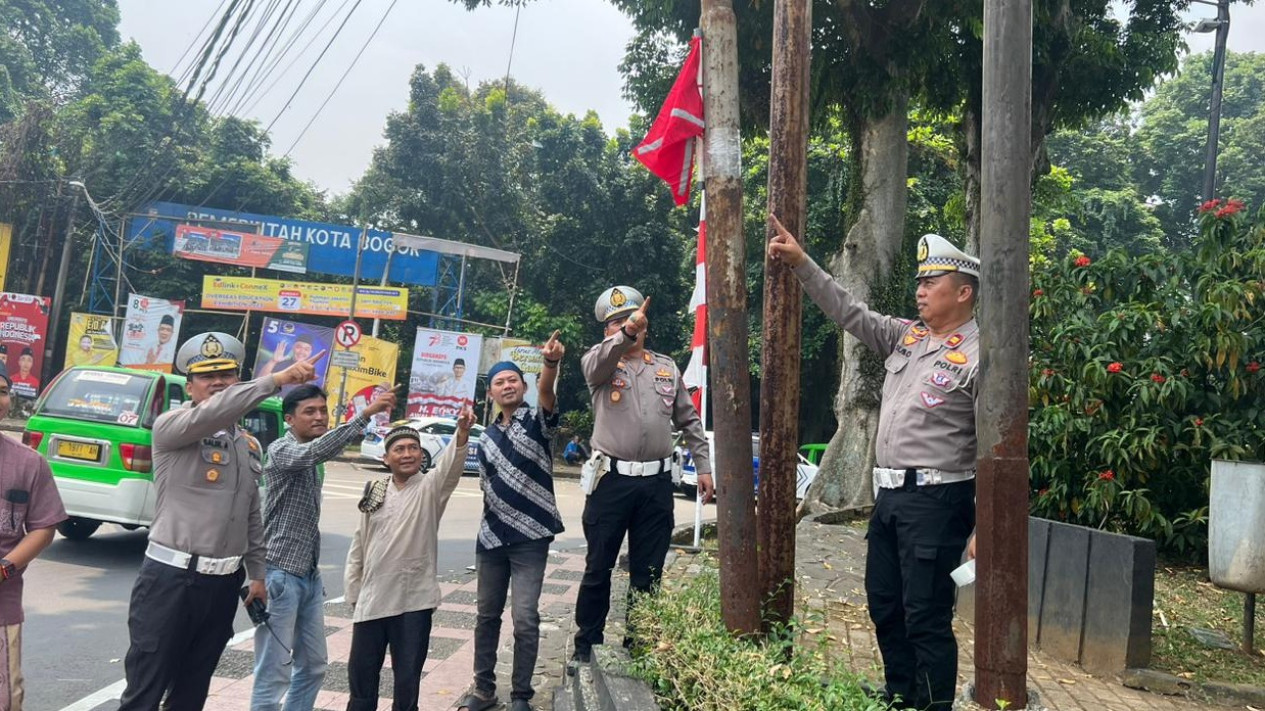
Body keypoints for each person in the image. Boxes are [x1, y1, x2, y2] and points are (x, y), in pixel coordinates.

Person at [768, 218, 979, 710]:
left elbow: (996, 450)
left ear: (963, 292)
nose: (920, 290)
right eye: (920, 281)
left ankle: (931, 706)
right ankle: (900, 695)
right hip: (889, 501)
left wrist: (983, 528)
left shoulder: (980, 355)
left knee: (925, 615)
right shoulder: (907, 338)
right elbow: (849, 312)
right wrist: (801, 263)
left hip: (938, 501)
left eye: (932, 283)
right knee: (886, 606)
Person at [118, 332, 323, 711]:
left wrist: (257, 575)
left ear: (237, 380)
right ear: (190, 385)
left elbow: (250, 515)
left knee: (192, 692)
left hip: (222, 585)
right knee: (145, 691)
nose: (217, 383)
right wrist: (277, 379)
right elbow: (216, 412)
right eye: (206, 376)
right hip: (170, 580)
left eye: (227, 375)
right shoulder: (172, 427)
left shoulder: (248, 445)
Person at [569, 287, 714, 672]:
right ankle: (586, 646)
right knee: (598, 567)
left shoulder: (665, 367)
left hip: (655, 486)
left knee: (648, 571)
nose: (623, 326)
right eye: (614, 323)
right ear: (607, 331)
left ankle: (640, 644)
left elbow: (689, 420)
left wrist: (703, 466)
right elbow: (594, 364)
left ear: (645, 324)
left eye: (630, 319)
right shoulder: (600, 364)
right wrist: (623, 337)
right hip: (610, 483)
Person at [251, 383, 398, 711]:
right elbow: (314, 452)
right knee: (273, 671)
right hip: (279, 575)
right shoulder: (281, 450)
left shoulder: (315, 454)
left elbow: (319, 451)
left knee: (315, 665)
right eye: (310, 412)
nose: (319, 417)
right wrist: (366, 414)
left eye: (322, 410)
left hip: (307, 575)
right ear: (290, 418)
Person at [458, 338, 566, 711]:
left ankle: (521, 694)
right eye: (500, 382)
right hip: (490, 538)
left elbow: (547, 393)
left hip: (530, 538)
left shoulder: (539, 422)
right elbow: (486, 486)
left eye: (513, 381)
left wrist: (549, 364)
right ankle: (484, 690)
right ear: (490, 392)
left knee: (525, 618)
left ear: (523, 387)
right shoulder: (485, 438)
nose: (507, 386)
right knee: (486, 616)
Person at [343, 407, 475, 711]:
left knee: (406, 685)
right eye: (399, 449)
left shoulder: (430, 488)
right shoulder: (375, 490)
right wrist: (354, 592)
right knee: (361, 684)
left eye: (413, 448)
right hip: (372, 600)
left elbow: (450, 468)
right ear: (386, 458)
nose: (407, 454)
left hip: (413, 602)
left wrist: (463, 433)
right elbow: (360, 543)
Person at [0, 361, 67, 709]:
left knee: (6, 698)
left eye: (2, 391)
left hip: (2, 607)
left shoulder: (29, 463)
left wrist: (4, 568)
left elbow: (44, 527)